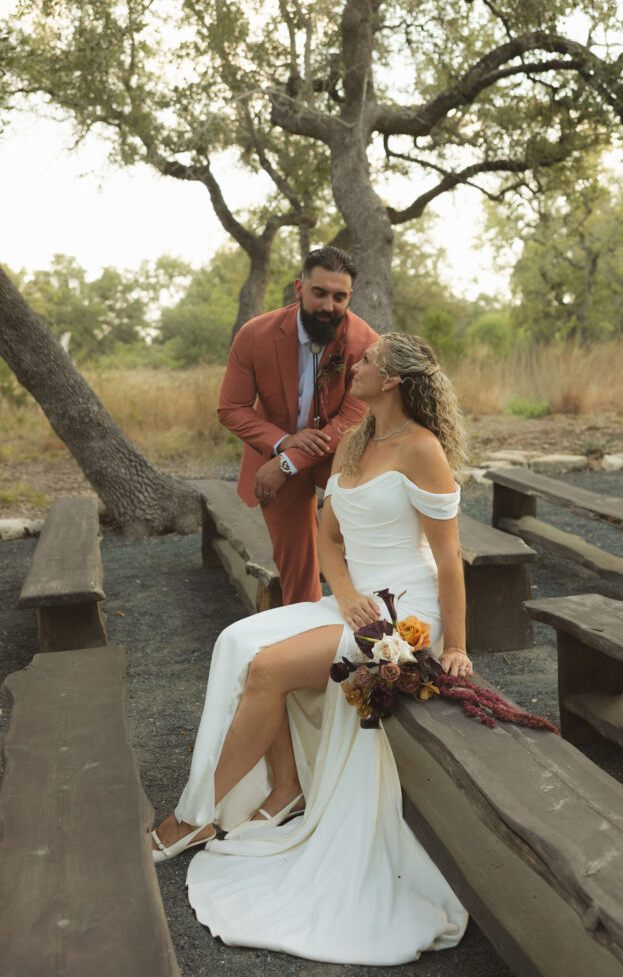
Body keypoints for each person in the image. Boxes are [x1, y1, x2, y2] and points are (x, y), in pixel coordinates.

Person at [151, 333, 473, 965]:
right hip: (354, 600)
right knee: (239, 640)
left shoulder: (423, 450)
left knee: (268, 667)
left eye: (370, 363)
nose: (356, 364)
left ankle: (199, 812)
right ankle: (286, 789)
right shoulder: (357, 441)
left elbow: (449, 559)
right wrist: (347, 592)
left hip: (406, 613)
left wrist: (456, 646)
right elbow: (328, 539)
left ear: (395, 381)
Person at [217, 244, 377, 606]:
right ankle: (303, 643)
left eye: (339, 297)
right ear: (299, 288)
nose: (328, 306)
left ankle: (373, 637)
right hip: (276, 455)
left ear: (349, 297)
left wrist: (288, 462)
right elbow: (231, 408)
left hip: (338, 455)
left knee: (367, 545)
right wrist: (283, 443)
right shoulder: (254, 335)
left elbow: (353, 418)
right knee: (298, 569)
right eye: (319, 293)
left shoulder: (365, 343)